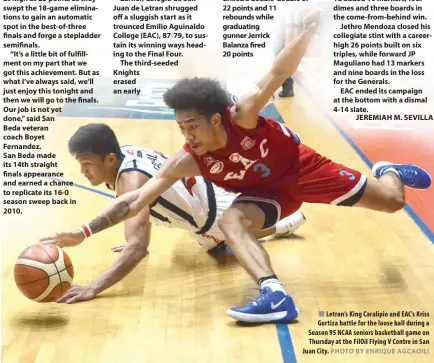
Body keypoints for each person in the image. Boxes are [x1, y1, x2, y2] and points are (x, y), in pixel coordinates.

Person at [41, 13, 431, 323]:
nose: (186, 135)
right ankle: (273, 293)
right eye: (180, 127)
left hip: (302, 168)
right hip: (264, 194)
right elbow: (134, 200)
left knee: (394, 202)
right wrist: (84, 231)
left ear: (216, 119)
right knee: (229, 224)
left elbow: (278, 73)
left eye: (192, 125)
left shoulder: (242, 116)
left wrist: (308, 33)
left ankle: (388, 170)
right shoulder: (188, 159)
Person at [55, 124, 306, 304]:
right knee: (211, 247)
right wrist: (135, 229)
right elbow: (149, 202)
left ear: (109, 159)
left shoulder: (130, 181)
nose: (82, 171)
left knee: (231, 240)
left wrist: (93, 288)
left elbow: (138, 249)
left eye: (86, 163)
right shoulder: (125, 153)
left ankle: (284, 224)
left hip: (214, 216)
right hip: (205, 199)